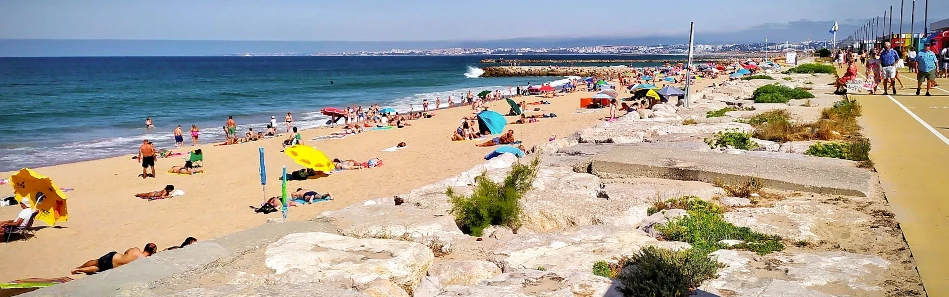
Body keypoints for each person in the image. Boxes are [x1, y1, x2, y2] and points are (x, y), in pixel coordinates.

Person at [71, 243, 157, 275]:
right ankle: (80, 270)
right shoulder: (144, 261)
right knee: (98, 268)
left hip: (113, 256)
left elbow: (126, 252)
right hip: (113, 266)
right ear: (153, 252)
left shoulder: (136, 250)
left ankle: (79, 267)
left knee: (96, 261)